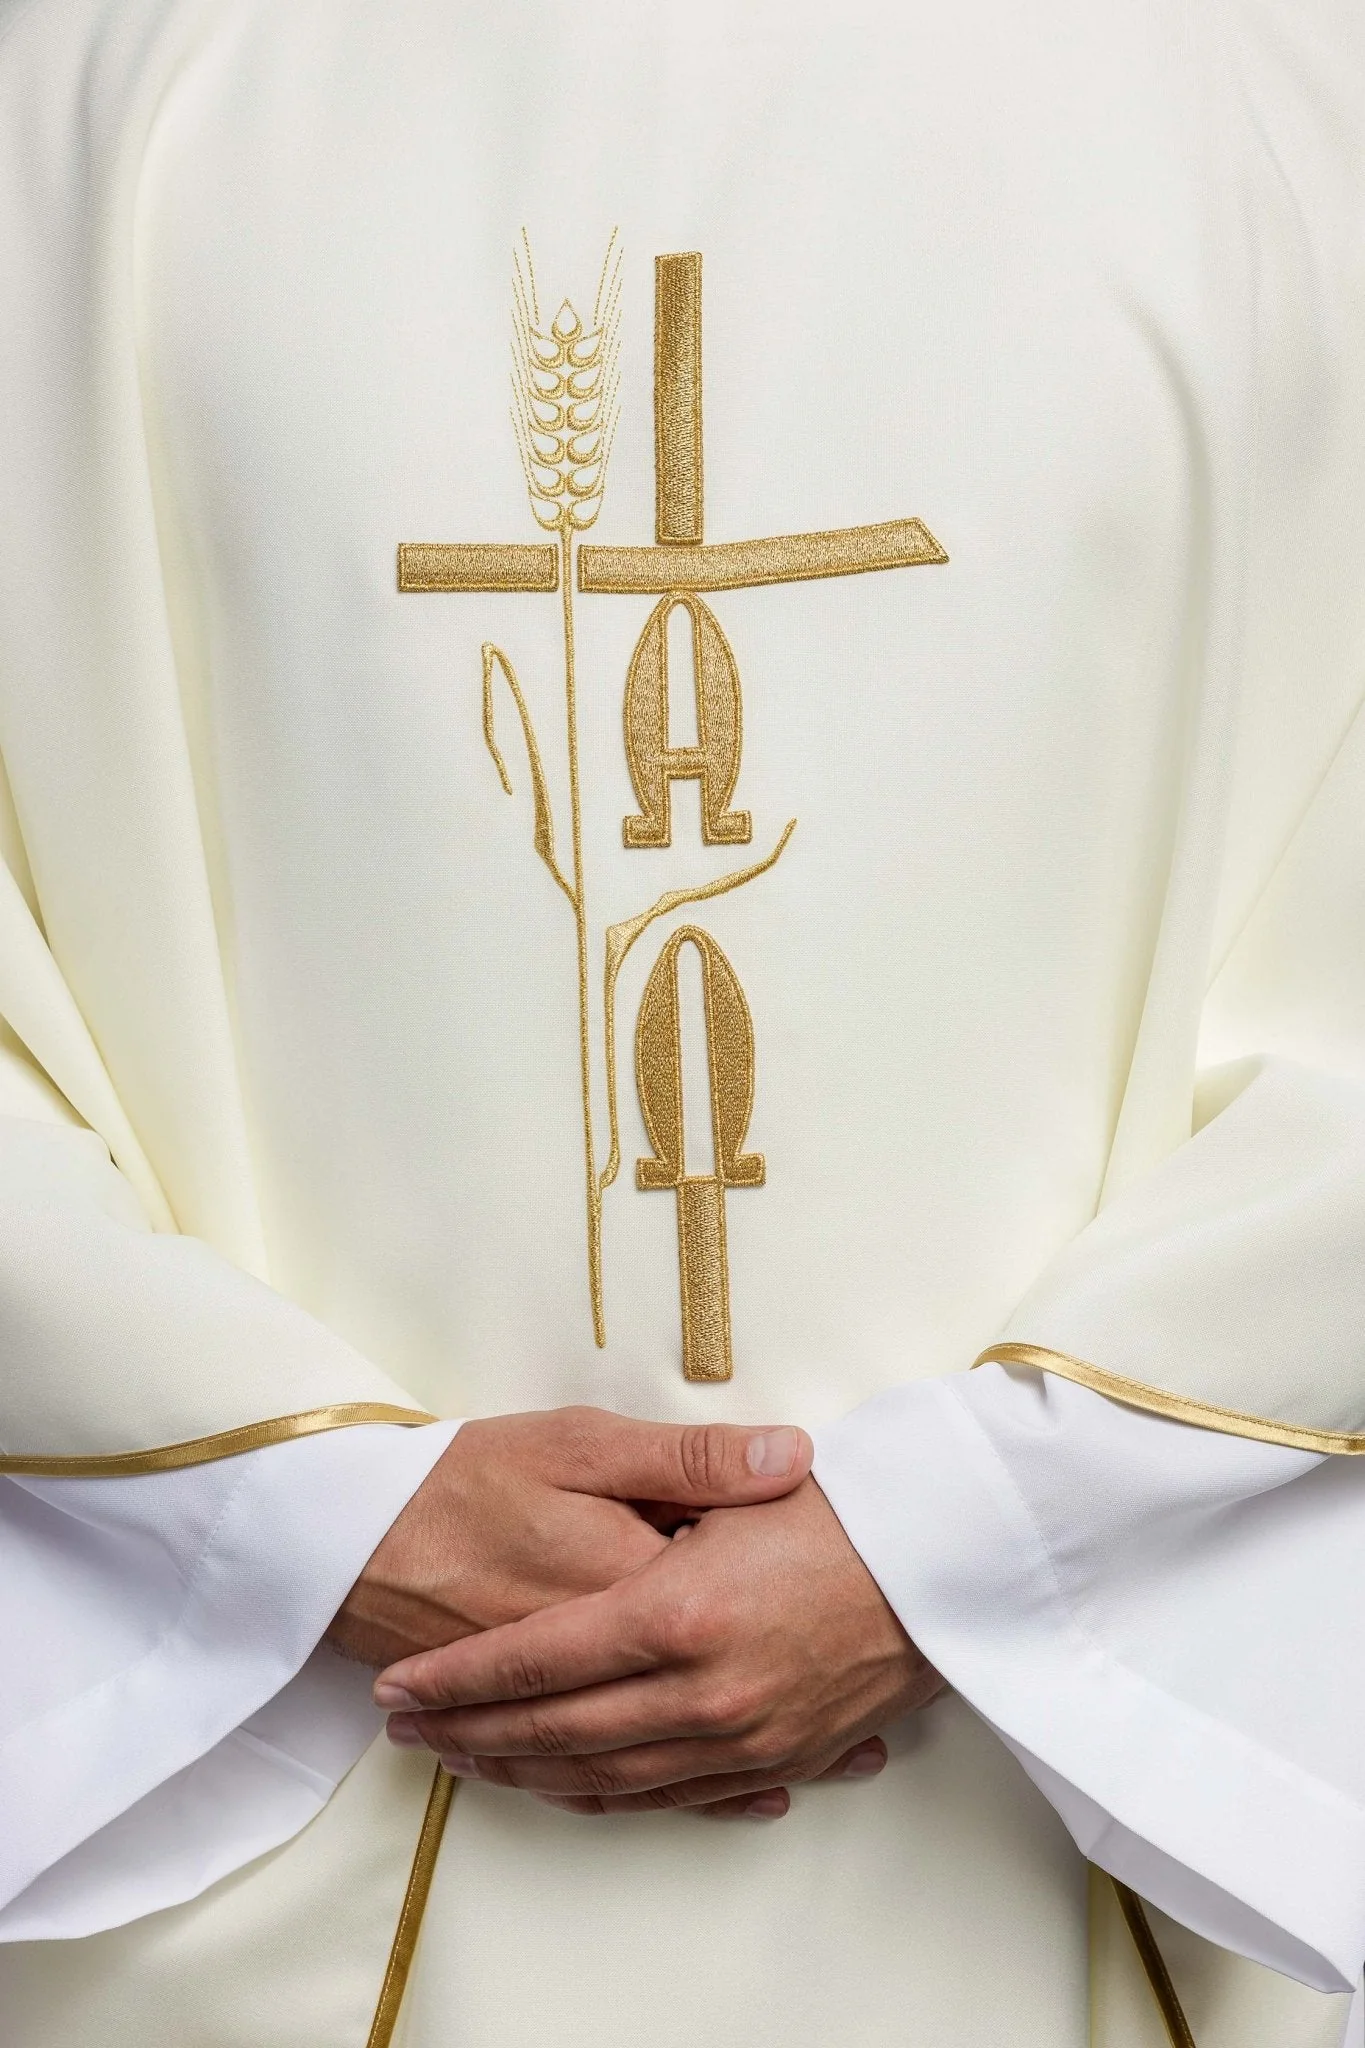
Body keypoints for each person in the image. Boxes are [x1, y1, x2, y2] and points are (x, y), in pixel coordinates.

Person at [1, 1, 1363, 2043]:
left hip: (1018, 1834)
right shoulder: (86, 89)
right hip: (286, 1828)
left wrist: (953, 1542)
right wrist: (308, 1510)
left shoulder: (1279, 92)